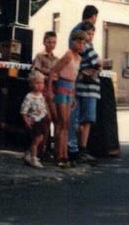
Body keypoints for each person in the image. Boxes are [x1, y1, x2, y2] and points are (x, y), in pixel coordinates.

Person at [49, 30, 87, 169]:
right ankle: (59, 155)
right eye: (79, 42)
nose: (81, 45)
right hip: (61, 88)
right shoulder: (68, 55)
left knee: (66, 124)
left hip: (69, 91)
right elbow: (54, 70)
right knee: (61, 124)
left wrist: (73, 96)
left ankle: (64, 155)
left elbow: (75, 79)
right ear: (73, 41)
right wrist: (49, 91)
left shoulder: (79, 58)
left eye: (84, 43)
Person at [67, 5, 98, 161]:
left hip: (75, 80)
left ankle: (74, 149)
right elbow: (97, 63)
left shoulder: (75, 29)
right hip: (83, 85)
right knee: (83, 118)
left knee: (75, 117)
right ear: (93, 17)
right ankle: (78, 150)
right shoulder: (85, 42)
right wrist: (96, 68)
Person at [74, 20, 101, 163]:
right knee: (87, 120)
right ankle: (82, 149)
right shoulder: (88, 48)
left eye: (92, 34)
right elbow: (100, 63)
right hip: (89, 90)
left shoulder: (82, 49)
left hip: (82, 88)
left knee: (81, 120)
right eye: (88, 34)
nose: (90, 37)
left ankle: (79, 148)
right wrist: (98, 68)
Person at [32, 31, 59, 155]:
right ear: (44, 42)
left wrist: (48, 74)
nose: (51, 45)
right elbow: (37, 71)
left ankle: (45, 147)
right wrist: (49, 74)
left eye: (54, 42)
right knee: (44, 118)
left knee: (51, 119)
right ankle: (38, 148)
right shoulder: (39, 56)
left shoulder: (57, 59)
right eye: (49, 42)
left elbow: (58, 75)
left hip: (52, 91)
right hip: (41, 91)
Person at [21, 71, 49, 168]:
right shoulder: (29, 97)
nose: (40, 85)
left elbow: (42, 106)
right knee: (36, 139)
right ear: (31, 84)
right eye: (37, 83)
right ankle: (33, 157)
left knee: (41, 138)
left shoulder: (41, 95)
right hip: (34, 120)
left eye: (42, 83)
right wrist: (26, 121)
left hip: (41, 119)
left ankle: (29, 153)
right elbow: (24, 110)